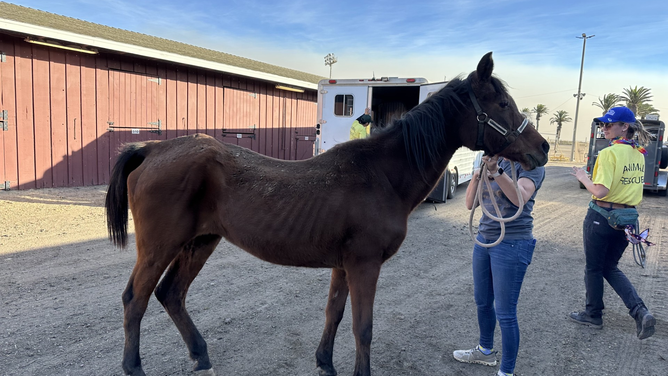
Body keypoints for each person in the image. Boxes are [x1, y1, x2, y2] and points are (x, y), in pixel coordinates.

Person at [454, 154, 545, 376]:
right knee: (483, 302)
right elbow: (469, 204)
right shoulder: (492, 162)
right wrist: (477, 176)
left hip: (513, 242)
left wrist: (496, 172)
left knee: (505, 312)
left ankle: (507, 372)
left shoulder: (531, 164)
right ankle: (485, 351)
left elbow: (520, 198)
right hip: (484, 239)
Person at [570, 106, 655, 339]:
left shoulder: (609, 154)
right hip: (627, 220)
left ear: (624, 127)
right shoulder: (638, 153)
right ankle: (640, 311)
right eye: (602, 125)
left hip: (602, 216)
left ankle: (593, 315)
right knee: (610, 267)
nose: (604, 128)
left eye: (609, 124)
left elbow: (601, 189)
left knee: (594, 268)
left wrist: (582, 177)